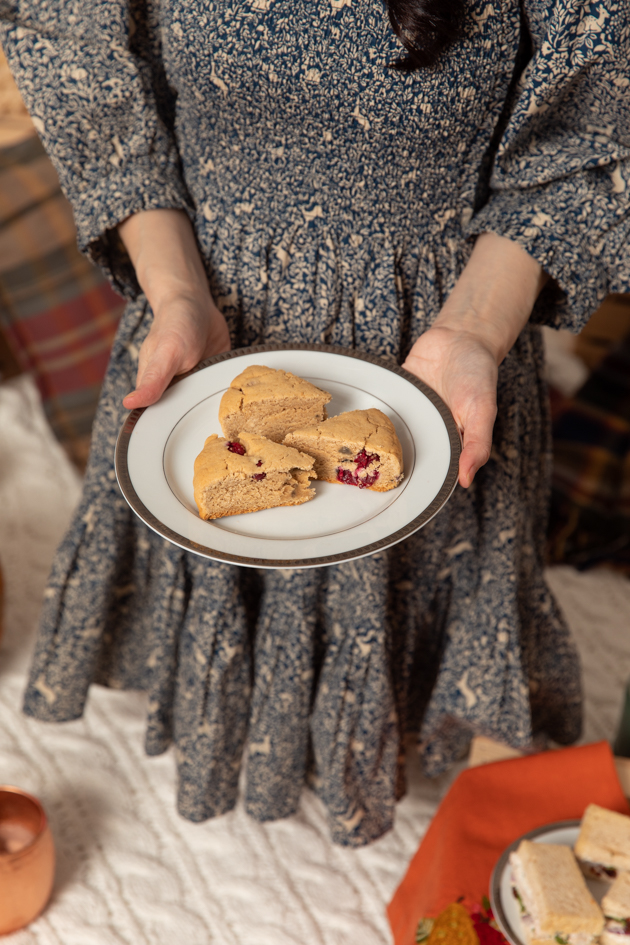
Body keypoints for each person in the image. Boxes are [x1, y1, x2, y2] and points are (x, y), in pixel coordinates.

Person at [1, 0, 628, 846]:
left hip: (448, 326)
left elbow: (600, 109)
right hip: (203, 314)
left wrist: (475, 332)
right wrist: (176, 291)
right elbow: (74, 50)